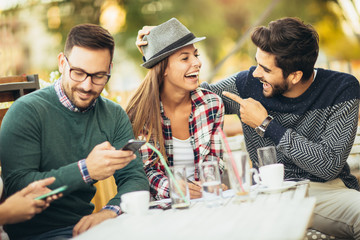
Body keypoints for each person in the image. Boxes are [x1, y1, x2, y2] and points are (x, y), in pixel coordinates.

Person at [137, 17, 360, 239]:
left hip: (326, 190)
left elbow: (328, 165)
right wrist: (160, 47)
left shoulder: (342, 89)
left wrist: (266, 125)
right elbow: (189, 94)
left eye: (265, 69)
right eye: (257, 62)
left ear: (294, 76)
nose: (255, 73)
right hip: (266, 193)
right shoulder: (247, 84)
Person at [0, 23, 149, 239]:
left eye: (98, 76)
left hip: (88, 228)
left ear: (110, 70)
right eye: (78, 73)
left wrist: (109, 211)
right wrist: (85, 170)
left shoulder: (114, 115)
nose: (87, 86)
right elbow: (17, 186)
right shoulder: (27, 111)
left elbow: (134, 177)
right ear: (62, 63)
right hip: (37, 233)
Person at [127, 18, 225, 201]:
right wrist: (174, 188)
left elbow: (215, 161)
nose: (197, 62)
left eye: (196, 55)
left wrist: (210, 183)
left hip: (204, 203)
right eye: (185, 58)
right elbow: (147, 171)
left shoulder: (212, 104)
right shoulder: (139, 112)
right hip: (162, 209)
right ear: (163, 67)